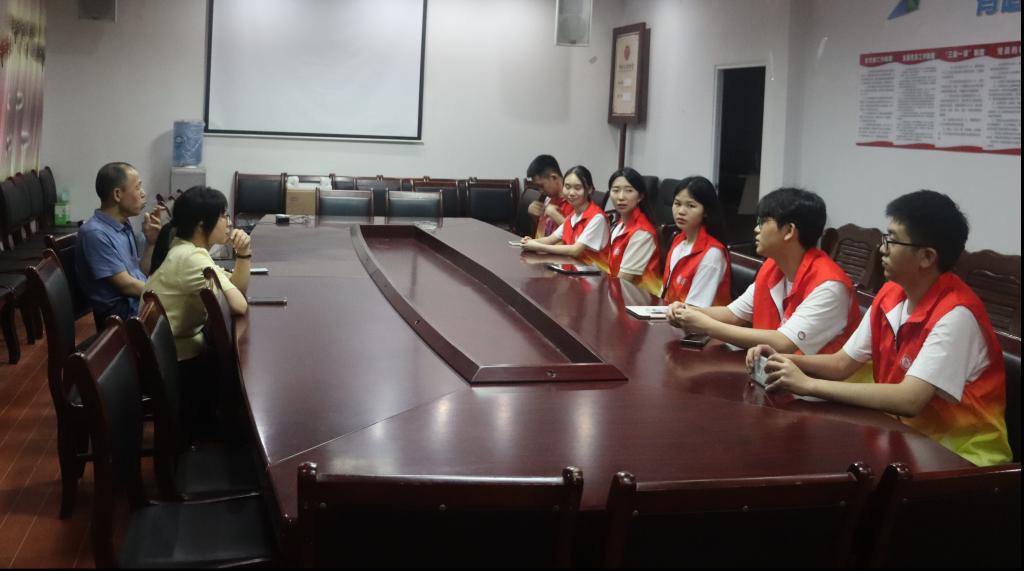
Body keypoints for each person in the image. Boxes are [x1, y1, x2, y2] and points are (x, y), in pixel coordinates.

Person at [750, 190, 1011, 466]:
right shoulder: (891, 295)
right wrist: (782, 360)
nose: (882, 249)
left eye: (892, 240)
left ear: (926, 257)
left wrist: (808, 385)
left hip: (961, 459)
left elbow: (909, 399)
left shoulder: (957, 315)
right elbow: (842, 364)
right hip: (902, 439)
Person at [667, 187, 858, 354]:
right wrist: (686, 311)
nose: (756, 230)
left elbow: (784, 342)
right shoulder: (773, 267)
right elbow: (733, 314)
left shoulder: (829, 286)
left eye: (763, 222)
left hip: (818, 383)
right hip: (772, 372)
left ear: (789, 231)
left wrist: (706, 326)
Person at [145, 186, 252, 440]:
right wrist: (243, 255)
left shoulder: (185, 248)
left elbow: (236, 287)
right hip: (174, 361)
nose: (229, 223)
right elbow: (239, 304)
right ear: (202, 224)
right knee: (237, 372)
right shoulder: (191, 258)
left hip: (174, 349)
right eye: (223, 216)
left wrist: (243, 254)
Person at [76, 162, 163, 324]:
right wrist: (165, 294)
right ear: (117, 194)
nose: (143, 193)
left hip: (136, 304)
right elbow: (126, 285)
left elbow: (139, 272)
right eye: (138, 187)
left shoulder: (123, 225)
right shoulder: (95, 234)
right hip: (121, 317)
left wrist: (151, 243)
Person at [661, 176, 731, 307]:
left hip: (694, 318)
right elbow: (665, 291)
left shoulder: (712, 253)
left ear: (705, 211)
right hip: (669, 313)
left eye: (691, 206)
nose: (681, 211)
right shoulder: (678, 240)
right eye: (677, 204)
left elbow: (695, 308)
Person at [520, 165, 609, 266]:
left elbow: (575, 250)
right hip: (572, 269)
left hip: (594, 274)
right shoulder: (573, 216)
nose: (571, 193)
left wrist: (538, 246)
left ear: (589, 189)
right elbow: (550, 240)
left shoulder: (597, 218)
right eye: (567, 187)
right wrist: (530, 242)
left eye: (577, 188)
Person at [604, 167, 661, 295]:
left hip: (637, 301)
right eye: (615, 190)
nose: (621, 197)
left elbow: (623, 280)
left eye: (628, 191)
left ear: (640, 196)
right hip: (617, 294)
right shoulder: (619, 225)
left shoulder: (642, 233)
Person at [525, 154, 573, 238]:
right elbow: (545, 231)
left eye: (541, 186)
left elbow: (576, 237)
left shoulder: (574, 201)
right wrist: (534, 216)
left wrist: (554, 214)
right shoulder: (548, 199)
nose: (540, 191)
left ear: (553, 177)